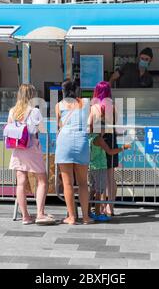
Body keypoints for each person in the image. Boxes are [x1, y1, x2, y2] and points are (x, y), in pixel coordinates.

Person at [8, 84, 55, 225]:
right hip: (32, 148)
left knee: (21, 183)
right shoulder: (34, 111)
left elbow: (10, 129)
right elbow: (41, 129)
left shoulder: (12, 111)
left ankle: (25, 216)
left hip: (17, 149)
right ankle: (40, 213)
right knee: (42, 180)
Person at [55, 80, 94, 225]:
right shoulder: (85, 102)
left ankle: (71, 217)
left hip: (64, 141)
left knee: (67, 183)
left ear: (63, 91)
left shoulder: (58, 105)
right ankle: (86, 217)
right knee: (83, 183)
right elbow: (92, 119)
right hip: (81, 141)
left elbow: (58, 125)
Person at [91, 81, 120, 216]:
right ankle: (110, 207)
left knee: (100, 176)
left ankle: (101, 207)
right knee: (110, 176)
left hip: (98, 142)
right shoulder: (113, 107)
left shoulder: (94, 107)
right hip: (111, 140)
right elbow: (117, 127)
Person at [88, 133, 130, 221]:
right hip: (100, 167)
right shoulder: (99, 139)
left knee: (92, 190)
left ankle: (88, 211)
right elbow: (110, 152)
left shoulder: (89, 137)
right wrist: (123, 148)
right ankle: (97, 213)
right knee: (99, 191)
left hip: (91, 167)